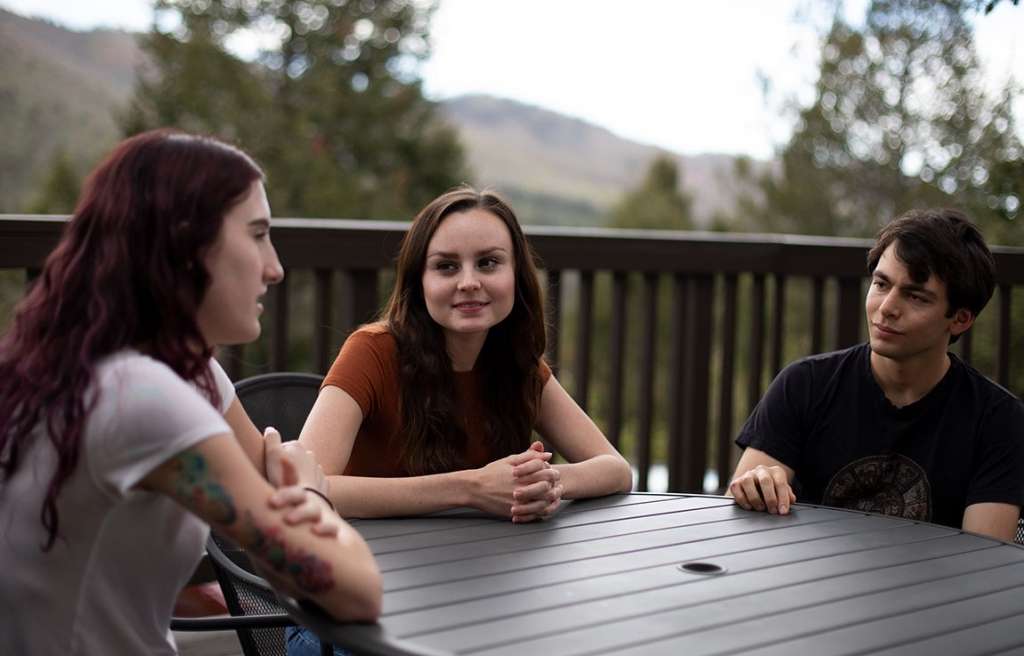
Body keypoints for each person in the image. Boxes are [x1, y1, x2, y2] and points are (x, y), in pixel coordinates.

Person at [0, 130, 381, 655]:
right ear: (186, 244)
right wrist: (311, 495)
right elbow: (352, 590)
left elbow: (267, 495)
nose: (275, 267)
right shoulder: (140, 395)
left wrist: (284, 501)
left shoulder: (144, 366)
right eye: (257, 234)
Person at [282, 186, 633, 654]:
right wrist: (470, 487)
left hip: (465, 601)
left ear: (516, 276)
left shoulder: (518, 366)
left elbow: (614, 469)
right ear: (418, 282)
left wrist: (544, 483)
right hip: (343, 615)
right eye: (447, 266)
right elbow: (311, 485)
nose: (469, 281)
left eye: (488, 262)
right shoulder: (372, 352)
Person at [729, 208, 1024, 542]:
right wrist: (756, 486)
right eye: (882, 284)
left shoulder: (997, 419)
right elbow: (740, 524)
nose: (887, 308)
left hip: (934, 592)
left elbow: (985, 563)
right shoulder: (805, 384)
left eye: (915, 296)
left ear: (960, 319)